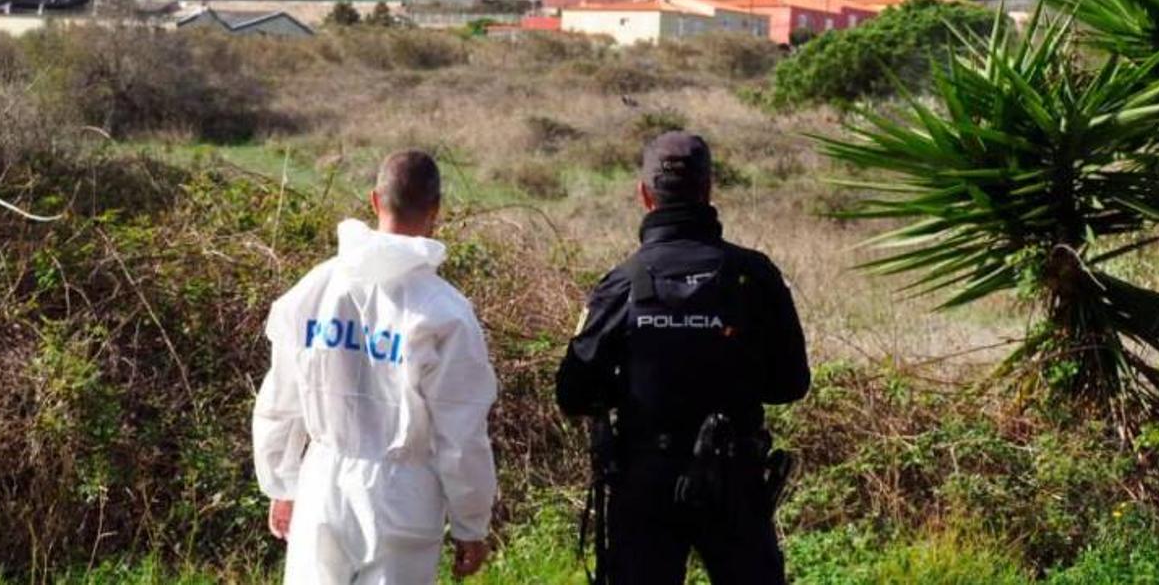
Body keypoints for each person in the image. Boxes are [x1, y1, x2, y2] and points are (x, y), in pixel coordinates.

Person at [556, 131, 811, 585]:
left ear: (644, 194)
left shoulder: (621, 282)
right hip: (735, 479)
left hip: (644, 482)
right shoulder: (754, 275)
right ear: (709, 188)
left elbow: (573, 393)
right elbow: (791, 384)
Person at [253, 150, 497, 585]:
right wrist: (470, 523)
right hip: (402, 496)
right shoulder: (445, 310)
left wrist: (282, 482)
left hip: (321, 481)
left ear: (373, 200)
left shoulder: (316, 288)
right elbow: (460, 432)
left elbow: (279, 401)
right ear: (436, 210)